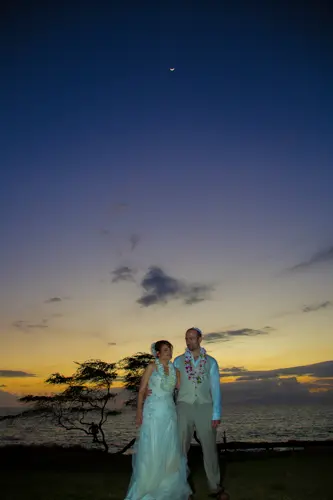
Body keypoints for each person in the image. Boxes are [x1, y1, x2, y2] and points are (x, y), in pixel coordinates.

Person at [125, 340, 192, 500]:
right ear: (158, 353)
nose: (169, 352)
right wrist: (139, 412)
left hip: (169, 412)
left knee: (169, 449)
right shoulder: (151, 367)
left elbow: (181, 388)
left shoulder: (176, 371)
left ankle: (168, 486)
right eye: (166, 349)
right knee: (152, 448)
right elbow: (141, 391)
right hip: (152, 412)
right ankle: (149, 486)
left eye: (170, 349)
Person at [173, 327, 228, 500]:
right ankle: (182, 489)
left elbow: (215, 389)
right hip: (183, 406)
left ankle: (215, 487)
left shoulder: (211, 362)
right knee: (181, 449)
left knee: (210, 449)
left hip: (205, 406)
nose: (189, 341)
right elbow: (170, 384)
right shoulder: (177, 361)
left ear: (200, 339)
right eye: (186, 338)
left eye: (192, 338)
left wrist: (216, 413)